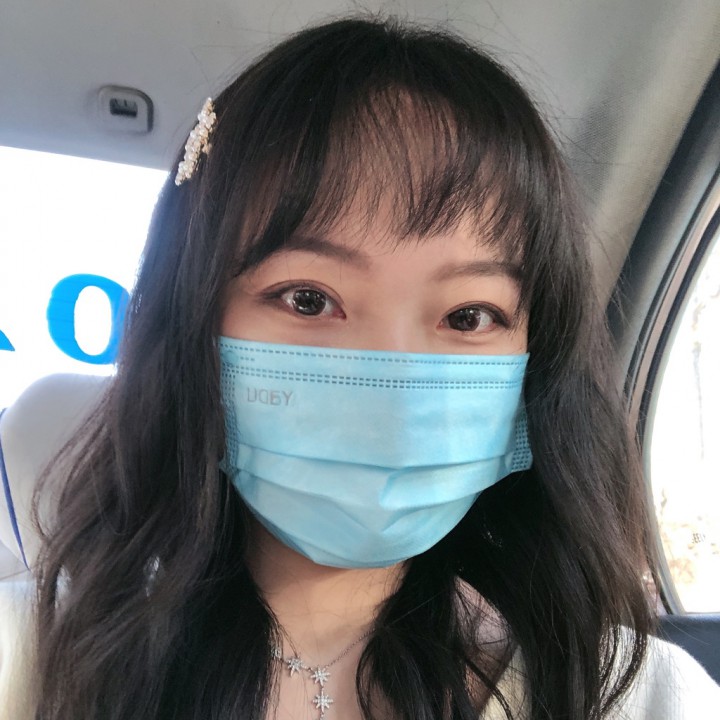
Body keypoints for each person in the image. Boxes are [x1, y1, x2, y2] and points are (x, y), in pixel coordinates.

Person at [0, 16, 718, 720]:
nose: (394, 383)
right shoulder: (28, 657)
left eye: (469, 316)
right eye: (309, 299)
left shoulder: (640, 694)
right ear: (192, 326)